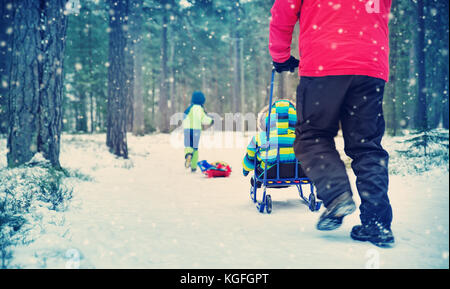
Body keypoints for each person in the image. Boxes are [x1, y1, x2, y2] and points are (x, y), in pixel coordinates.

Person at [269, 0, 394, 247]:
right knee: (367, 145)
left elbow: (283, 10)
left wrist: (281, 56)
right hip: (370, 64)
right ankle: (377, 224)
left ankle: (337, 194)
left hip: (324, 64)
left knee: (312, 136)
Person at [243, 100, 306, 183]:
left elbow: (251, 155)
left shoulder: (262, 136)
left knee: (260, 154)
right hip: (298, 173)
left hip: (269, 174)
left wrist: (246, 169)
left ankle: (256, 181)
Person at [183, 91, 213, 172]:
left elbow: (184, 116)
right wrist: (211, 121)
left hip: (187, 129)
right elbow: (204, 119)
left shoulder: (190, 108)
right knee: (195, 148)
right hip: (196, 130)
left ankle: (188, 154)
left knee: (188, 145)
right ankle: (193, 167)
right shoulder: (200, 109)